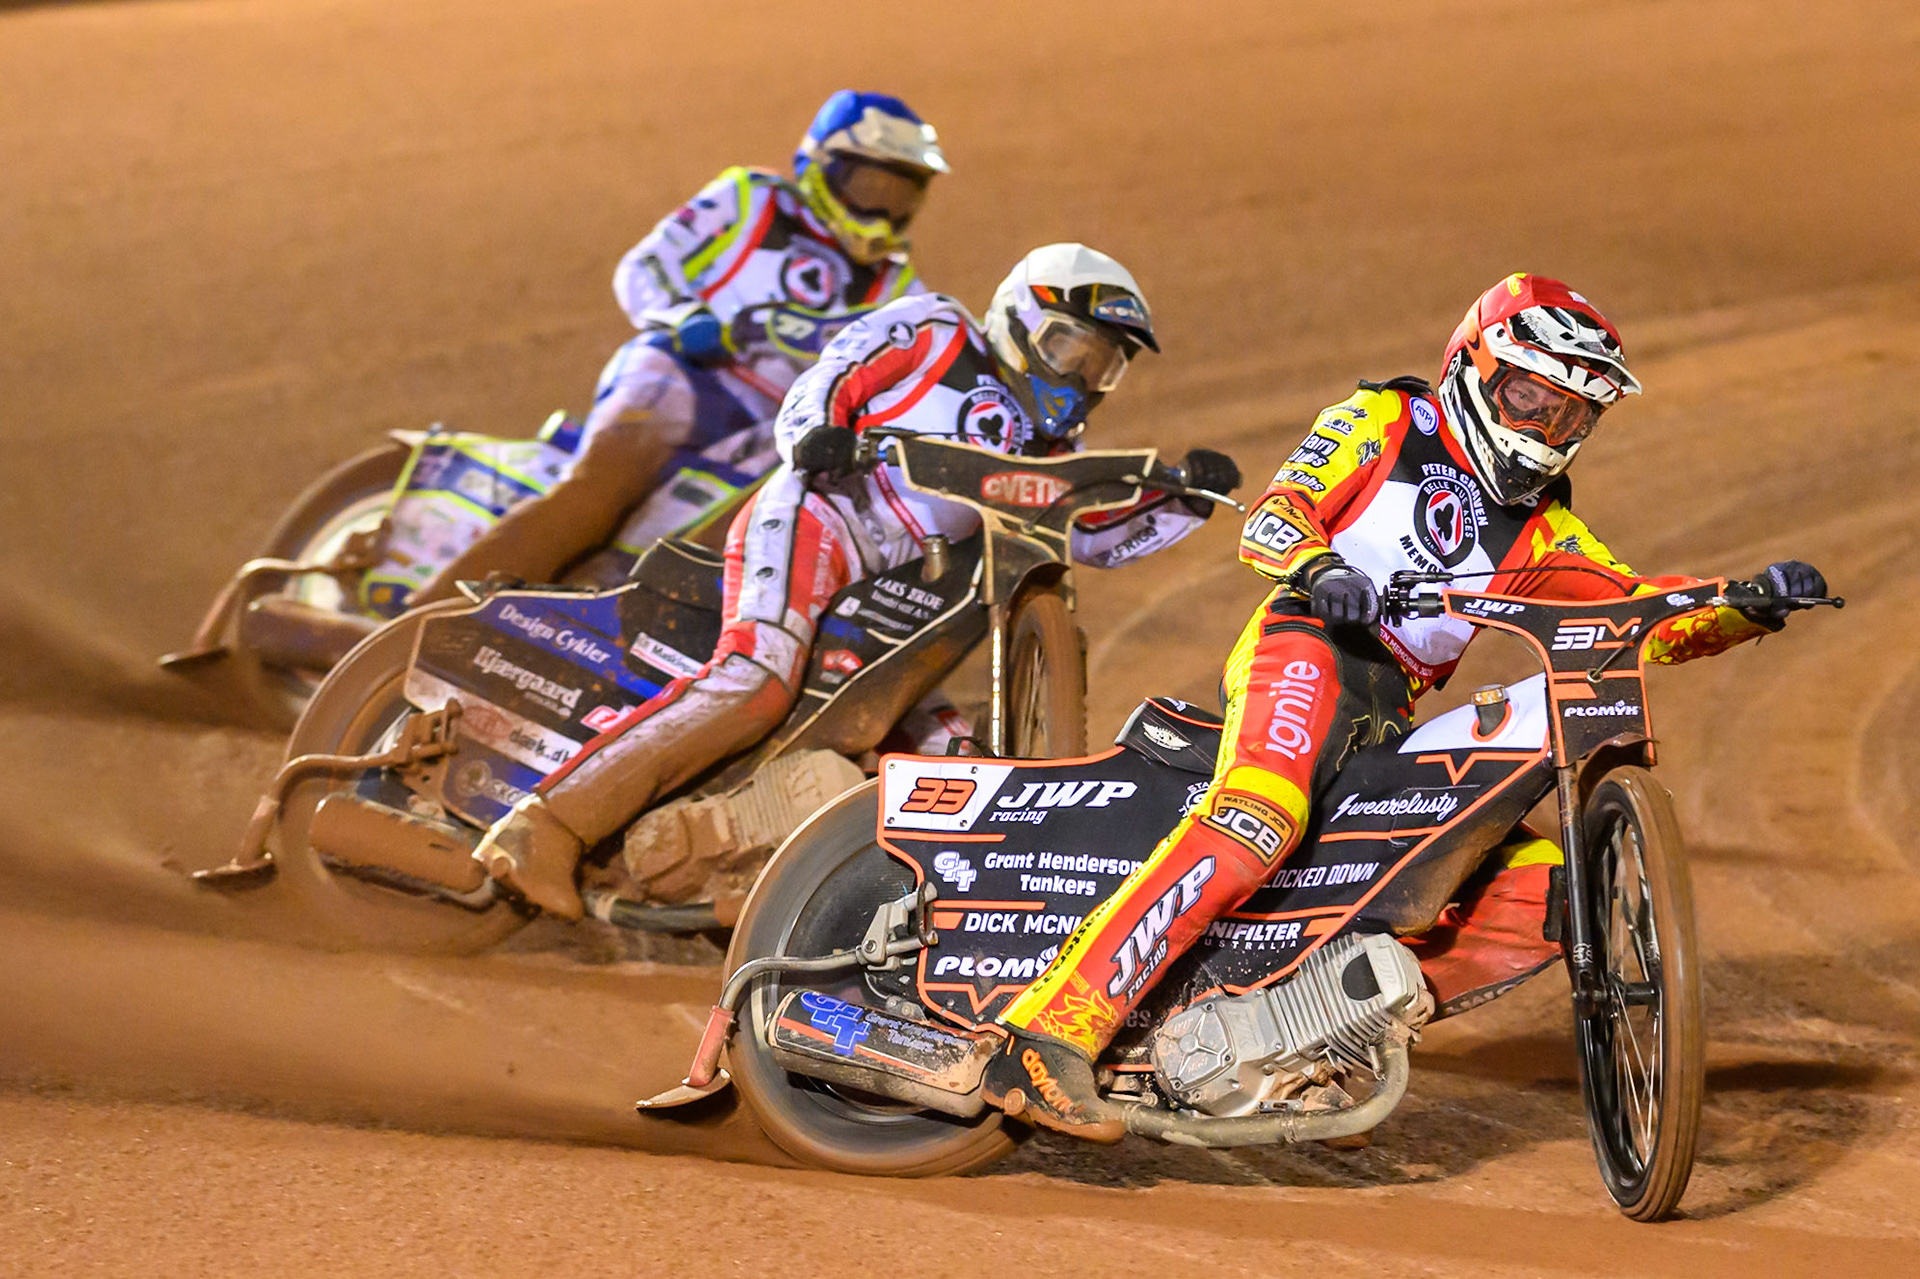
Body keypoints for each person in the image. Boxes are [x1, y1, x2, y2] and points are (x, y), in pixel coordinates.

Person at [978, 272, 1830, 1141]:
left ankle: (1309, 1027)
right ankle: (1049, 1037)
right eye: (1531, 396)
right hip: (1306, 644)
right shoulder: (1386, 421)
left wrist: (1741, 602)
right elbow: (1274, 515)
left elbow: (1633, 611)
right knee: (1259, 815)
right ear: (1473, 364)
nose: (1546, 430)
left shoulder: (1542, 529)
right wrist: (1320, 568)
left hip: (1389, 711)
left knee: (1547, 890)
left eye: (1572, 416)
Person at [471, 243, 1243, 919]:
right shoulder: (937, 332)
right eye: (1071, 346)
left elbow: (1098, 536)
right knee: (755, 680)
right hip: (819, 519)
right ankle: (544, 824)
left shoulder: (1048, 448)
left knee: (946, 762)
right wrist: (815, 435)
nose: (1080, 376)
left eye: (1102, 363)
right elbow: (834, 375)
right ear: (1019, 314)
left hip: (901, 601)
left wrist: (1184, 501)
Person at [412, 90, 948, 604]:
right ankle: (416, 622)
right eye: (871, 187)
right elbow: (644, 267)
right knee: (600, 489)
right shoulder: (748, 199)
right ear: (821, 167)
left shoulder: (902, 290)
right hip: (686, 376)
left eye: (900, 195)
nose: (883, 210)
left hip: (776, 432)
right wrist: (684, 316)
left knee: (741, 549)